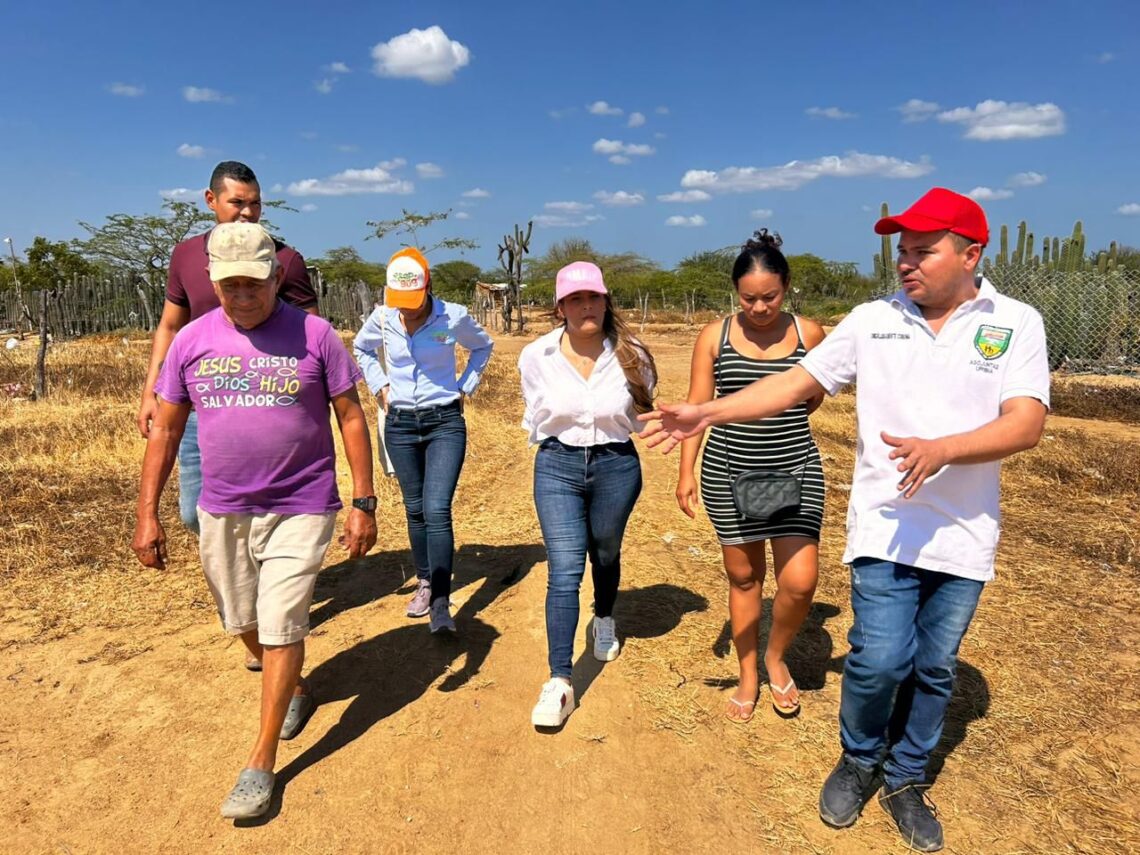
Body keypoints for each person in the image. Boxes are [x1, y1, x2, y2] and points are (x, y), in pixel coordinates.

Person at [640, 188, 1049, 852]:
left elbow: (1026, 421)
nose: (906, 262)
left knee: (935, 667)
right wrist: (707, 413)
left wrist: (945, 449)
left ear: (973, 253)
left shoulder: (1015, 321)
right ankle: (860, 760)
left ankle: (908, 778)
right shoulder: (871, 320)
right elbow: (794, 384)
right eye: (902, 250)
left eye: (923, 250)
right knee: (879, 660)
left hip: (964, 536)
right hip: (885, 525)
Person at [131, 222, 377, 819]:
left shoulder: (316, 335)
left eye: (254, 283)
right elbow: (165, 428)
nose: (243, 296)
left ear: (275, 277)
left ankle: (261, 760)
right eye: (230, 285)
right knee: (240, 618)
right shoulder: (191, 341)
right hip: (223, 509)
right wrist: (147, 515)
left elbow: (349, 415)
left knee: (280, 623)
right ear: (213, 283)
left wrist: (362, 499)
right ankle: (291, 686)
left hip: (302, 503)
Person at [676, 230, 826, 723]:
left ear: (787, 287)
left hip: (795, 471)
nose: (759, 307)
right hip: (728, 474)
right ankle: (748, 673)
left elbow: (811, 401)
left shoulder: (811, 335)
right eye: (748, 298)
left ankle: (775, 655)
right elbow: (697, 409)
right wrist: (686, 472)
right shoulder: (713, 338)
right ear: (734, 293)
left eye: (770, 296)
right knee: (744, 578)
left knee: (800, 582)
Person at [136, 161, 318, 539]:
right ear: (210, 200)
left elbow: (311, 333)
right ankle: (239, 567)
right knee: (193, 512)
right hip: (195, 402)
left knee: (263, 505)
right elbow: (170, 325)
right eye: (237, 202)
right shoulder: (186, 256)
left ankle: (266, 574)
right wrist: (151, 391)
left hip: (262, 397)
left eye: (255, 203)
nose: (248, 213)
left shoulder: (284, 261)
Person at [520, 261, 657, 728]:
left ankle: (604, 616)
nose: (586, 306)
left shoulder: (632, 354)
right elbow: (535, 416)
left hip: (616, 464)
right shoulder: (536, 356)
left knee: (606, 550)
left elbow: (643, 413)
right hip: (556, 465)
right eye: (575, 299)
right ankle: (560, 680)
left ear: (605, 300)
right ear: (560, 307)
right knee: (564, 567)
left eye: (593, 297)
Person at [353, 248, 494, 634]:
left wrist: (467, 384)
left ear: (428, 286)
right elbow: (361, 349)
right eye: (401, 304)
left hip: (444, 423)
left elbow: (483, 346)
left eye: (414, 302)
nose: (408, 311)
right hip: (399, 425)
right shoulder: (382, 319)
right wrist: (378, 384)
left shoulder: (452, 316)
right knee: (414, 510)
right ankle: (425, 581)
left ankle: (442, 602)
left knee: (436, 508)